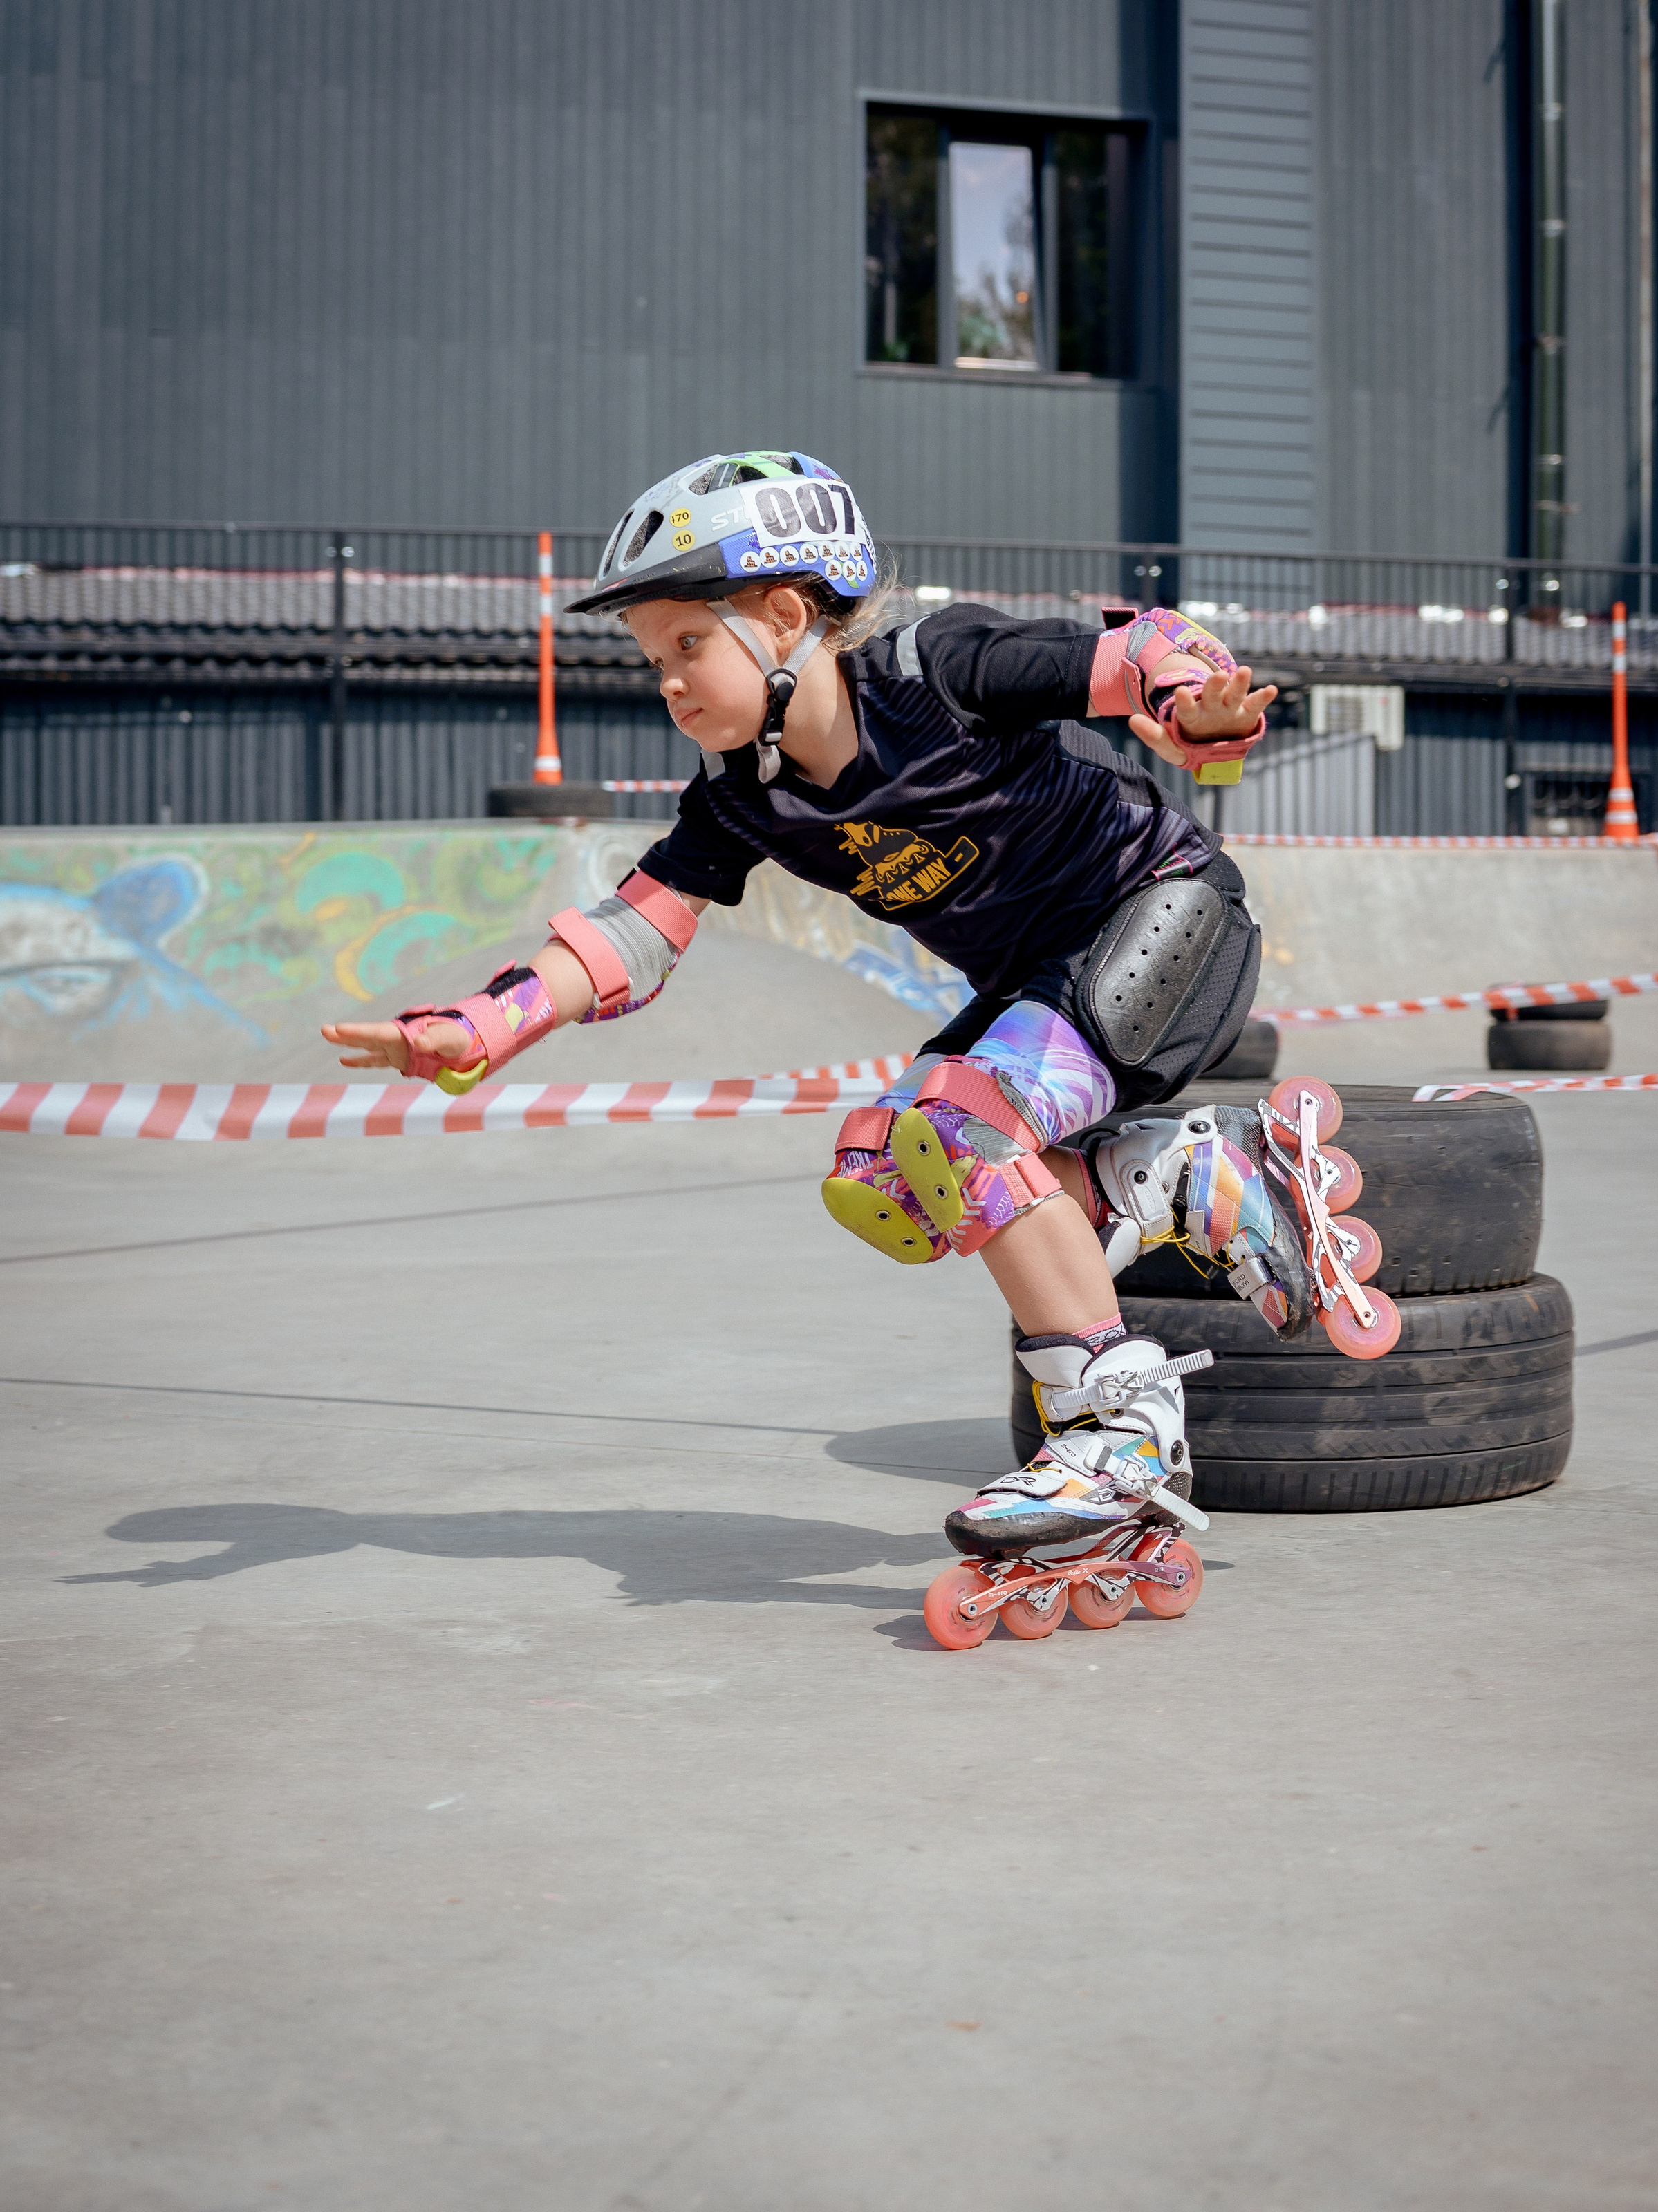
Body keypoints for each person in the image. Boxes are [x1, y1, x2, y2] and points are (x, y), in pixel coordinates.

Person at [322, 450, 1352, 1575]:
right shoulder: (747, 795)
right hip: (1041, 984)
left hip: (1165, 915)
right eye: (651, 658)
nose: (668, 681)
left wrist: (1194, 710)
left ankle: (1116, 1439)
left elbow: (1136, 651)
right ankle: (1182, 1181)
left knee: (965, 1124)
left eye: (687, 645)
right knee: (894, 1173)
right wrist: (475, 1030)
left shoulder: (938, 672)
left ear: (781, 613)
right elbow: (635, 933)